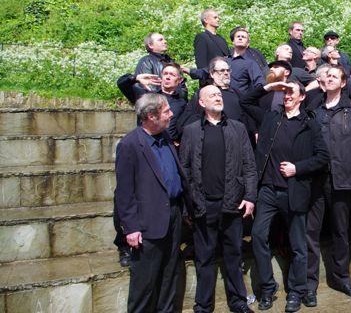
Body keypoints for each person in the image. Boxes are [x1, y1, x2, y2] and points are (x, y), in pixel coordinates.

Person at [251, 80, 329, 312]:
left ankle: (296, 291)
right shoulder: (271, 118)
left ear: (302, 97)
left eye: (290, 92)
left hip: (294, 191)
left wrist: (298, 168)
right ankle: (267, 288)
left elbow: (323, 157)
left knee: (298, 245)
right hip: (266, 190)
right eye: (284, 93)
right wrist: (271, 86)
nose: (286, 96)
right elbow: (246, 101)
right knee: (257, 236)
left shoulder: (310, 124)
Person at [180, 85, 258, 313]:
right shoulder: (191, 130)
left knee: (234, 256)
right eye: (212, 95)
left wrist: (250, 196)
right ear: (201, 103)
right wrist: (188, 206)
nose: (218, 97)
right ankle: (203, 306)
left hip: (233, 203)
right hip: (203, 205)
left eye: (219, 94)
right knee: (204, 258)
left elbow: (250, 166)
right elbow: (184, 170)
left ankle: (239, 303)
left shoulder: (238, 128)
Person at [115, 93, 192, 313]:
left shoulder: (166, 137)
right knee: (144, 285)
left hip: (173, 216)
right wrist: (131, 227)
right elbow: (124, 191)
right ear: (151, 116)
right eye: (166, 111)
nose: (171, 114)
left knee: (169, 277)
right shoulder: (130, 145)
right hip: (147, 224)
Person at [307, 65, 351, 301]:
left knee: (341, 231)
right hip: (315, 179)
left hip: (342, 179)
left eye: (335, 76)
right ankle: (309, 284)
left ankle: (342, 279)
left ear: (343, 83)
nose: (329, 78)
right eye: (327, 75)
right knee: (310, 232)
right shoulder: (313, 108)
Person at [117, 63, 187, 143]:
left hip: (168, 147)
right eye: (165, 74)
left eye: (172, 75)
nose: (167, 77)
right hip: (145, 144)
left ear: (180, 80)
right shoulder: (147, 97)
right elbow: (121, 83)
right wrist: (135, 78)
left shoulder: (182, 103)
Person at [229, 27, 266, 95]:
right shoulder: (224, 58)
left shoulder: (251, 63)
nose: (240, 38)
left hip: (241, 100)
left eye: (243, 37)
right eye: (238, 36)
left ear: (248, 43)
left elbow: (260, 83)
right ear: (233, 41)